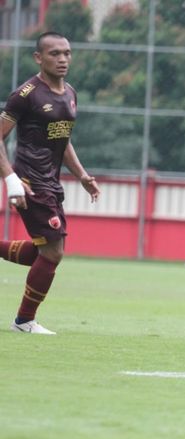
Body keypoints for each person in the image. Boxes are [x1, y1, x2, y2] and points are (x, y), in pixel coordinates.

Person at [0, 32, 100, 335]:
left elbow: (63, 139)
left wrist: (81, 174)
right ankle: (24, 321)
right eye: (55, 53)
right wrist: (11, 179)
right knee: (53, 253)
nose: (63, 59)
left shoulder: (70, 92)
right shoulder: (26, 94)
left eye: (67, 53)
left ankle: (24, 321)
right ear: (38, 58)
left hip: (52, 183)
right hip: (30, 181)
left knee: (46, 250)